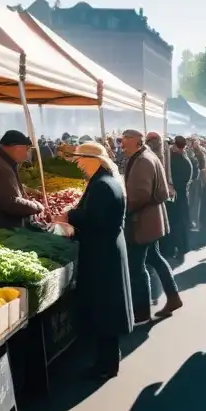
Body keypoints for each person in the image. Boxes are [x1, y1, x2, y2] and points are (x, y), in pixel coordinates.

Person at [59, 142, 134, 379]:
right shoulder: (105, 180)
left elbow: (95, 219)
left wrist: (70, 215)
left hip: (104, 253)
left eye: (81, 159)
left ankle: (108, 364)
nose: (79, 164)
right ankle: (107, 359)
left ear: (93, 159)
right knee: (107, 307)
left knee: (105, 308)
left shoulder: (102, 185)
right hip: (107, 249)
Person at [121, 129, 182, 323]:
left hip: (144, 221)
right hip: (151, 220)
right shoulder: (146, 157)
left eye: (125, 140)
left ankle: (142, 312)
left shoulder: (143, 161)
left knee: (137, 268)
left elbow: (140, 195)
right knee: (155, 258)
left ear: (136, 141)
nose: (122, 144)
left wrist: (124, 210)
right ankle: (173, 298)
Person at [0, 130, 44, 229]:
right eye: (26, 149)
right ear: (16, 147)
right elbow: (12, 203)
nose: (26, 154)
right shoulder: (0, 167)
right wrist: (36, 206)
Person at [168, 136, 194, 262]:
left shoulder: (177, 159)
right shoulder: (185, 157)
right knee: (182, 222)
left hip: (178, 194)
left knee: (177, 223)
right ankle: (183, 247)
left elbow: (176, 178)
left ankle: (180, 247)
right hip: (182, 194)